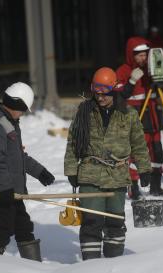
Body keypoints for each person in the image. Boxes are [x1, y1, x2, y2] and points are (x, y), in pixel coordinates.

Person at [64, 67, 151, 260]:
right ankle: (91, 268)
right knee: (91, 222)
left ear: (114, 90)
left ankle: (114, 266)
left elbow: (138, 143)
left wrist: (144, 169)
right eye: (97, 93)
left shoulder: (128, 114)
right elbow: (72, 143)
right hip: (89, 174)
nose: (100, 98)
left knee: (115, 222)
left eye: (105, 94)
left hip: (117, 176)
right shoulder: (84, 112)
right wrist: (71, 170)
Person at [0, 82, 55, 261]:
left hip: (11, 190)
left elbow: (16, 157)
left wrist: (39, 171)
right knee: (2, 230)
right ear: (17, 105)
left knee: (23, 227)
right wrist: (4, 188)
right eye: (24, 110)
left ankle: (34, 270)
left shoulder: (8, 122)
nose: (24, 114)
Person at [116, 37, 163, 198]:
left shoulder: (151, 68)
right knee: (136, 154)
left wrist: (160, 81)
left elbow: (159, 92)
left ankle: (156, 186)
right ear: (131, 55)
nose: (143, 58)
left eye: (145, 55)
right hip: (135, 115)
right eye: (139, 55)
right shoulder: (122, 71)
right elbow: (119, 98)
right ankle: (134, 187)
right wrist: (132, 81)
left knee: (157, 152)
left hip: (153, 113)